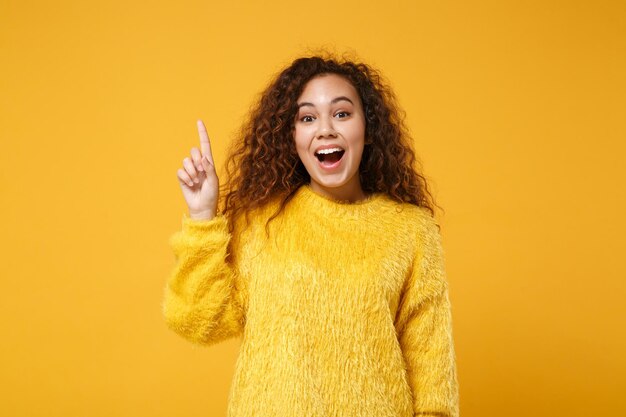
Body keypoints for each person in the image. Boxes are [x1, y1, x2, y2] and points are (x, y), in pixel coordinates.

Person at [162, 54, 460, 417]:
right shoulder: (261, 222)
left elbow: (432, 376)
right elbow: (197, 321)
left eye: (341, 113)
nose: (325, 130)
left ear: (368, 131)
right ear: (293, 137)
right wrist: (202, 214)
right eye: (307, 118)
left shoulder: (412, 231)